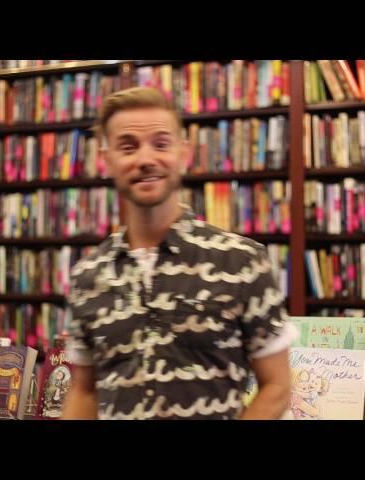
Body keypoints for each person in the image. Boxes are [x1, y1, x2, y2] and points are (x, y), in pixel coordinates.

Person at [62, 87, 294, 420]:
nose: (145, 159)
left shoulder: (242, 261)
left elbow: (277, 386)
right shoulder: (88, 276)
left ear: (184, 154)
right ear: (107, 159)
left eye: (161, 143)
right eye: (128, 146)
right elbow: (84, 392)